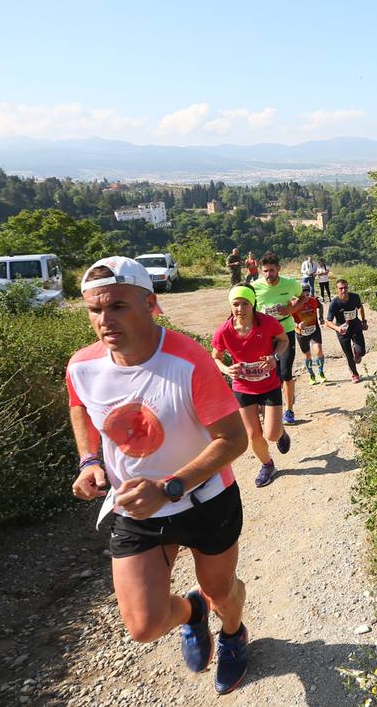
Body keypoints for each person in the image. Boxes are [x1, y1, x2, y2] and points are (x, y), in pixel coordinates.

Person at [67, 257, 251, 695]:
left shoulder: (188, 361)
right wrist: (89, 460)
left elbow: (233, 439)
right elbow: (80, 405)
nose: (104, 320)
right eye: (95, 310)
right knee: (144, 625)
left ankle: (233, 633)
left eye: (117, 307)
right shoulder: (82, 366)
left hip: (205, 501)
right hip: (135, 509)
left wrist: (170, 487)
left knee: (221, 594)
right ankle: (191, 613)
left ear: (151, 304)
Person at [212, 286, 291, 488]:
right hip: (243, 388)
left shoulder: (268, 323)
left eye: (245, 303)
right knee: (253, 435)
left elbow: (284, 340)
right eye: (236, 304)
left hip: (269, 384)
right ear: (231, 306)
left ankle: (280, 433)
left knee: (271, 434)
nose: (240, 308)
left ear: (253, 303)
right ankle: (267, 465)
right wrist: (226, 370)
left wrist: (274, 357)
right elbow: (215, 358)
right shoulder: (223, 331)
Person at [251, 253, 305, 425]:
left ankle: (289, 410)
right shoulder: (255, 286)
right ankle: (271, 408)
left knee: (285, 372)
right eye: (265, 271)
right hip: (265, 335)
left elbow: (304, 297)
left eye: (272, 271)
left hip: (286, 331)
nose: (268, 275)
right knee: (269, 374)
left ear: (278, 269)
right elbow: (249, 309)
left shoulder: (290, 284)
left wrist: (292, 308)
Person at [326, 278, 369, 383]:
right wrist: (338, 328)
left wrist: (363, 321)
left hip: (356, 327)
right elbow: (328, 322)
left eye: (345, 287)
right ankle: (355, 374)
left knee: (361, 352)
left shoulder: (355, 297)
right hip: (343, 331)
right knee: (348, 355)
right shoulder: (334, 303)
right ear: (337, 290)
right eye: (341, 288)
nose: (343, 290)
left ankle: (357, 352)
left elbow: (360, 307)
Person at [292, 286, 328, 385]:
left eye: (308, 294)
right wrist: (297, 325)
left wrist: (320, 317)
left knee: (319, 351)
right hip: (301, 333)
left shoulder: (313, 301)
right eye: (304, 295)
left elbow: (320, 306)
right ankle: (311, 375)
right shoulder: (294, 304)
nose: (306, 297)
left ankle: (321, 372)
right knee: (307, 355)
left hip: (314, 330)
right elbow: (288, 317)